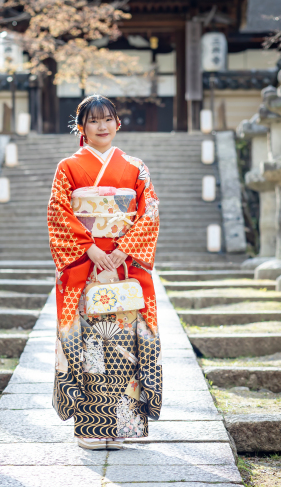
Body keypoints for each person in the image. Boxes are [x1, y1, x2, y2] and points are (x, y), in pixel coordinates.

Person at [47, 94, 162, 451]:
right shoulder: (68, 166)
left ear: (118, 123)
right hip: (86, 266)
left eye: (108, 119)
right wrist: (93, 249)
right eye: (93, 120)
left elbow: (150, 211)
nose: (102, 126)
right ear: (81, 127)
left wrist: (124, 249)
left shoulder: (134, 166)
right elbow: (59, 213)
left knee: (126, 345)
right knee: (90, 347)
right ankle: (90, 429)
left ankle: (123, 426)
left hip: (126, 266)